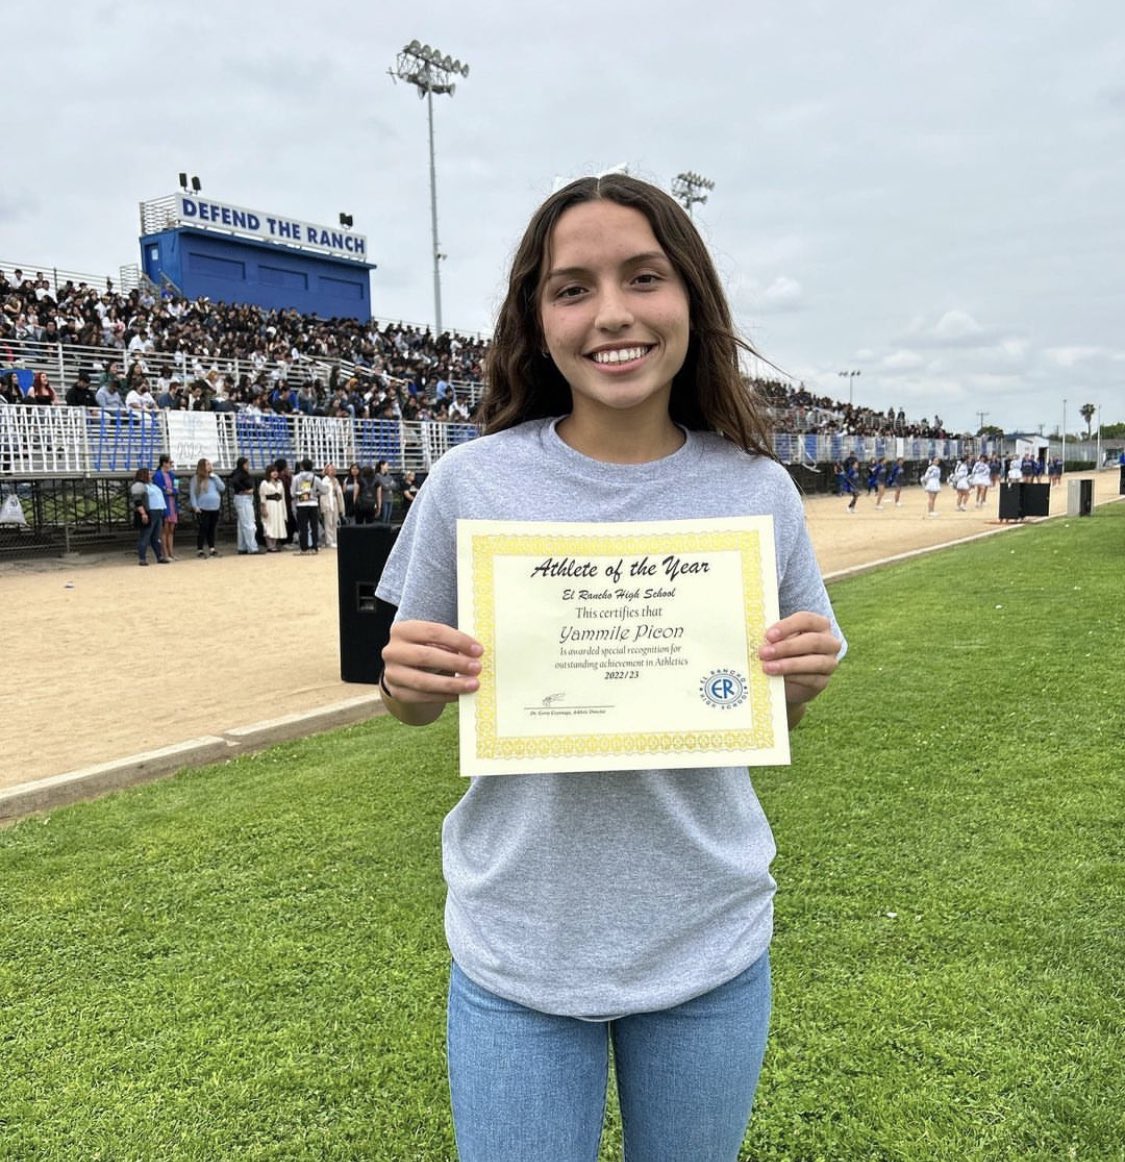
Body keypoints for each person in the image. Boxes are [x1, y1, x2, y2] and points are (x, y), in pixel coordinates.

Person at [375, 174, 844, 1161]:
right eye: (573, 287)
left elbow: (767, 715)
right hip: (517, 950)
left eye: (644, 277)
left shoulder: (757, 491)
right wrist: (404, 686)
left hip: (706, 942)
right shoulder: (472, 482)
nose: (613, 314)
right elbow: (411, 700)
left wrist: (796, 685)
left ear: (692, 300)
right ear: (536, 317)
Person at [129, 467, 168, 565]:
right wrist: (143, 513)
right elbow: (137, 501)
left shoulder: (152, 485)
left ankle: (159, 556)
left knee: (155, 537)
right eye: (149, 474)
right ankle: (142, 558)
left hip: (158, 511)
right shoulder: (139, 485)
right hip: (149, 511)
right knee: (145, 536)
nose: (151, 476)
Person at [189, 458, 225, 557]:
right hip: (203, 507)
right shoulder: (196, 478)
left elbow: (222, 488)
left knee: (212, 528)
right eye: (207, 464)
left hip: (215, 507)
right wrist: (195, 506)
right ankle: (200, 549)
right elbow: (192, 494)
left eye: (210, 464)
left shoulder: (214, 477)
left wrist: (214, 477)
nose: (210, 466)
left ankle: (212, 548)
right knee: (203, 528)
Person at [228, 456, 259, 555]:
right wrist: (244, 490)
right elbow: (235, 481)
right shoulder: (240, 474)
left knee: (242, 524)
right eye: (246, 464)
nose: (248, 466)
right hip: (243, 498)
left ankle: (242, 547)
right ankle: (252, 547)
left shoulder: (239, 473)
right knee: (249, 523)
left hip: (243, 498)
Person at [291, 457, 322, 553]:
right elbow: (324, 490)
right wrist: (314, 494)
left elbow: (292, 493)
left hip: (301, 505)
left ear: (302, 466)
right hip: (313, 504)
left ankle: (304, 548)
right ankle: (314, 547)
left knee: (303, 527)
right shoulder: (316, 478)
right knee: (314, 526)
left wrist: (302, 496)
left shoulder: (296, 478)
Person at [153, 454, 180, 561]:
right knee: (164, 530)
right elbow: (160, 489)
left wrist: (172, 491)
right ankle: (165, 554)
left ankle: (171, 553)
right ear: (164, 463)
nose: (170, 465)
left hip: (173, 503)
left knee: (171, 530)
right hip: (164, 504)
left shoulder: (173, 475)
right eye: (169, 462)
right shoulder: (158, 475)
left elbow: (176, 488)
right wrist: (169, 490)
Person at [258, 464, 287, 551]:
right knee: (268, 525)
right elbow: (262, 497)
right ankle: (269, 546)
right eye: (272, 471)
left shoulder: (280, 483)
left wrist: (283, 509)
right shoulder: (264, 483)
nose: (275, 473)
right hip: (269, 505)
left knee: (277, 524)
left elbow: (283, 496)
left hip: (279, 505)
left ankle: (274, 545)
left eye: (276, 471)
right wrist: (263, 509)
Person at [319, 463, 346, 548]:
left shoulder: (336, 480)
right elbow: (323, 495)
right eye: (330, 470)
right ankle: (329, 541)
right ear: (327, 471)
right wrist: (324, 506)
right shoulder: (324, 481)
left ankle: (335, 540)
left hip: (335, 501)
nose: (332, 471)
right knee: (328, 522)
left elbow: (339, 494)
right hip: (327, 502)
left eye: (334, 470)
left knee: (335, 521)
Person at [374, 459, 397, 524]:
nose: (388, 467)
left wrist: (388, 485)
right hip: (383, 498)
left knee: (388, 518)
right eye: (386, 465)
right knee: (384, 517)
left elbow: (394, 485)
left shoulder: (389, 476)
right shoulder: (377, 476)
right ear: (382, 466)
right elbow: (384, 486)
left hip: (390, 498)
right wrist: (389, 485)